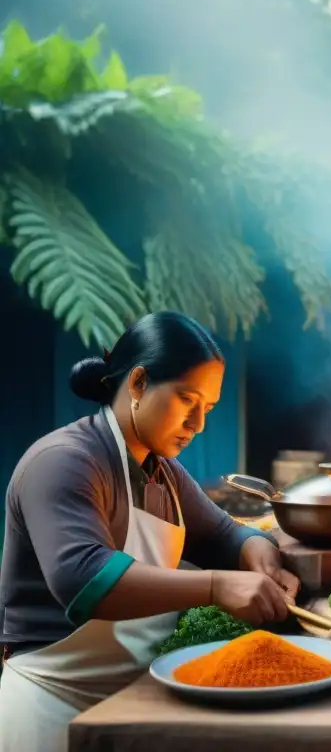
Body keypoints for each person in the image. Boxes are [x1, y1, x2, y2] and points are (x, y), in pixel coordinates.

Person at [0, 312, 300, 752]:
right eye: (187, 399)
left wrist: (258, 551)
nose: (198, 423)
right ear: (138, 383)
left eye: (209, 408)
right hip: (52, 708)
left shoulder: (164, 473)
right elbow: (82, 578)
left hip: (133, 705)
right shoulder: (62, 461)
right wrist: (217, 586)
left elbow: (223, 535)